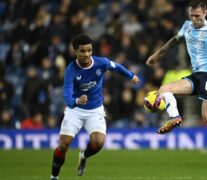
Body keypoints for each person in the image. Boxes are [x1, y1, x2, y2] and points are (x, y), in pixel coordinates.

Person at [146, 0, 207, 172]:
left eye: (198, 16)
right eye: (192, 16)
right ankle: (174, 117)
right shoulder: (187, 26)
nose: (194, 19)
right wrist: (157, 55)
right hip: (196, 75)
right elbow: (174, 41)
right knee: (164, 88)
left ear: (205, 13)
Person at [50, 34, 140, 180]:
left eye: (89, 50)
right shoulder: (70, 70)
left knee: (98, 143)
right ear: (75, 52)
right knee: (63, 145)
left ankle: (84, 156)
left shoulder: (100, 63)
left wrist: (131, 76)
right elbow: (66, 96)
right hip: (75, 110)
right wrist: (76, 100)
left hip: (95, 109)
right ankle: (54, 176)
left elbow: (116, 67)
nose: (87, 54)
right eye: (82, 51)